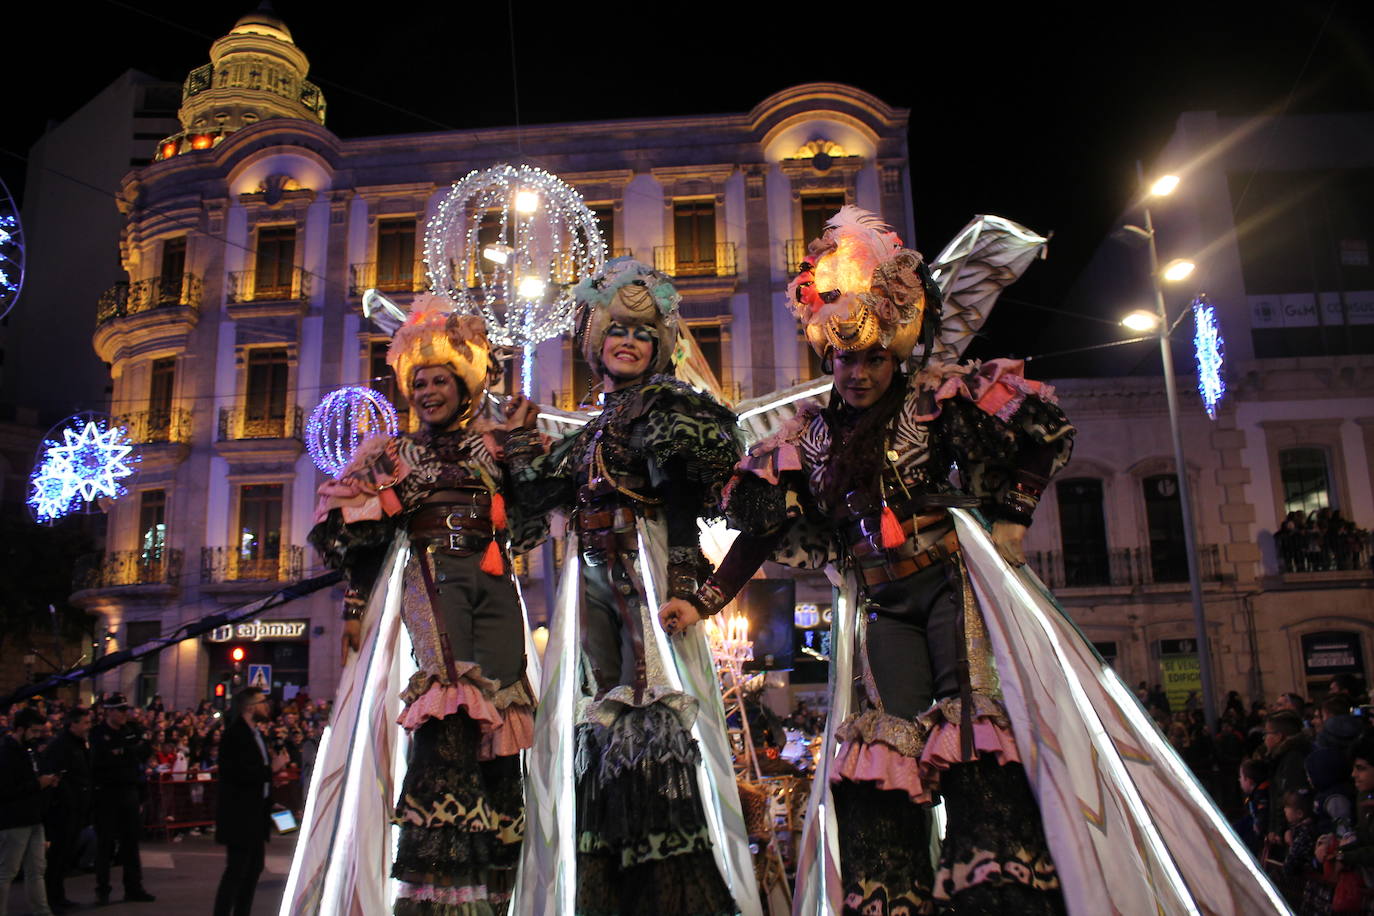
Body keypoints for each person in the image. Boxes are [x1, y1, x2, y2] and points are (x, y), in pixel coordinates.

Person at [659, 207, 1069, 913]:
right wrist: (703, 601)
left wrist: (1013, 518)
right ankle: (897, 898)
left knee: (969, 731)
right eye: (845, 359)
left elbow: (1040, 431)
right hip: (884, 605)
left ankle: (993, 894)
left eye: (873, 357)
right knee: (887, 751)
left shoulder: (934, 403)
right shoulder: (809, 439)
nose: (857, 373)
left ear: (895, 354)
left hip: (948, 586)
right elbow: (760, 532)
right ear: (829, 359)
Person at [504, 257, 756, 913]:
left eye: (643, 334)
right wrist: (519, 441)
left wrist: (686, 588)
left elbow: (682, 504)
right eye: (617, 329)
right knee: (598, 713)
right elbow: (537, 494)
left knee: (650, 707)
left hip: (643, 573)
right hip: (587, 574)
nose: (629, 342)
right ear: (597, 340)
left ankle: (666, 887)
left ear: (659, 345)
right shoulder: (592, 430)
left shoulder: (669, 409)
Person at [299, 304, 541, 914]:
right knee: (450, 706)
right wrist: (355, 604)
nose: (428, 391)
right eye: (419, 383)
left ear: (464, 384)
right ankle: (443, 895)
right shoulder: (393, 453)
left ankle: (494, 889)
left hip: (496, 584)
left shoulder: (495, 445)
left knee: (501, 718)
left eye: (439, 380)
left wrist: (522, 445)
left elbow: (534, 515)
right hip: (435, 579)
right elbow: (360, 541)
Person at [89, 694, 155, 905]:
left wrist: (124, 752)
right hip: (107, 793)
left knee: (131, 842)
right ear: (109, 711)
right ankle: (102, 889)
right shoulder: (98, 733)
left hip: (128, 790)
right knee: (105, 844)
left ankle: (133, 887)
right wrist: (126, 752)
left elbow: (144, 750)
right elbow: (103, 759)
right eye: (120, 710)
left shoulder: (130, 730)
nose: (125, 714)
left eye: (126, 709)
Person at [213, 688, 273, 916]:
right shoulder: (235, 735)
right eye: (262, 702)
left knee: (254, 867)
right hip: (240, 815)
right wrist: (270, 770)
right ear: (249, 707)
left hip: (256, 813)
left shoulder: (256, 734)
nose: (266, 706)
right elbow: (239, 773)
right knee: (237, 870)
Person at [0, 706, 58, 916]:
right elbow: (6, 790)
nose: (36, 735)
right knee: (7, 871)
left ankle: (42, 911)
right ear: (20, 729)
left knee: (37, 869)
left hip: (34, 817)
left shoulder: (29, 750)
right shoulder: (6, 753)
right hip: (14, 819)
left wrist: (47, 781)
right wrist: (38, 784)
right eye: (33, 731)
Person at [40, 706, 92, 912]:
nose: (88, 726)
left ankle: (59, 895)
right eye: (85, 723)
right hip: (63, 809)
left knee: (66, 854)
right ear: (73, 724)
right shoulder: (60, 746)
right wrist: (67, 799)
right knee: (57, 855)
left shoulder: (81, 744)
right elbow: (57, 777)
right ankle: (51, 898)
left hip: (77, 806)